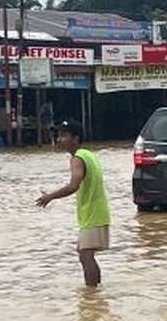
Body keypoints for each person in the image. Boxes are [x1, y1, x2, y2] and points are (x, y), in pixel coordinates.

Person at [35, 119, 111, 287]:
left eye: (64, 136)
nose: (59, 139)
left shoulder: (77, 158)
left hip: (92, 214)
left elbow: (73, 186)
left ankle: (91, 294)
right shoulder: (89, 155)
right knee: (85, 254)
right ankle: (95, 293)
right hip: (97, 212)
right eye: (59, 135)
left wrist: (50, 196)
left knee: (85, 255)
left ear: (76, 138)